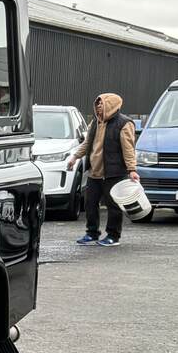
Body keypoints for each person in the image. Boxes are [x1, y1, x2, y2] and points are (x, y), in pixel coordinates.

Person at [66, 92, 139, 245]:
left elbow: (128, 149)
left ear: (111, 105)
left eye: (102, 104)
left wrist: (132, 169)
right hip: (94, 172)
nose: (98, 106)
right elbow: (87, 144)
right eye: (97, 104)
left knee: (113, 206)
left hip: (113, 172)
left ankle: (113, 236)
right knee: (90, 204)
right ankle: (92, 233)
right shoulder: (95, 122)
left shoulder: (124, 123)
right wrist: (75, 157)